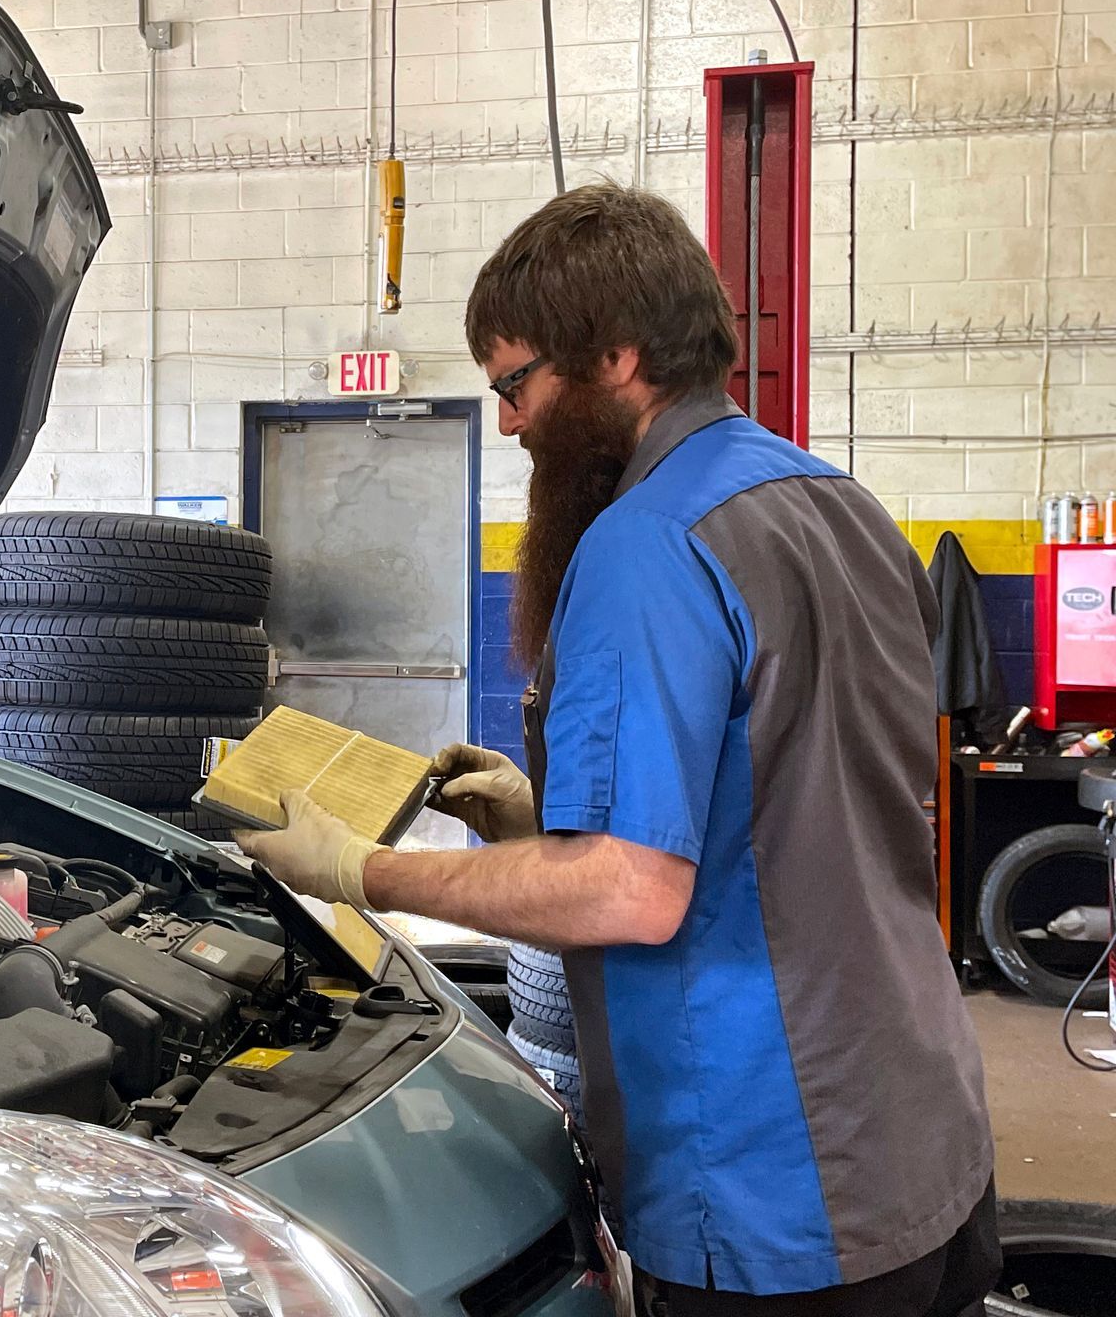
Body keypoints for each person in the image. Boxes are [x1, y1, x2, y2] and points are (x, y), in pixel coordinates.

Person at [238, 184, 998, 1316]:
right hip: (924, 1133)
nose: (507, 422)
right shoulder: (836, 504)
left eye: (515, 383)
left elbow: (632, 893)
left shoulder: (644, 545)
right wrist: (541, 825)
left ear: (616, 358)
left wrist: (358, 869)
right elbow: (787, 800)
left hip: (773, 1186)